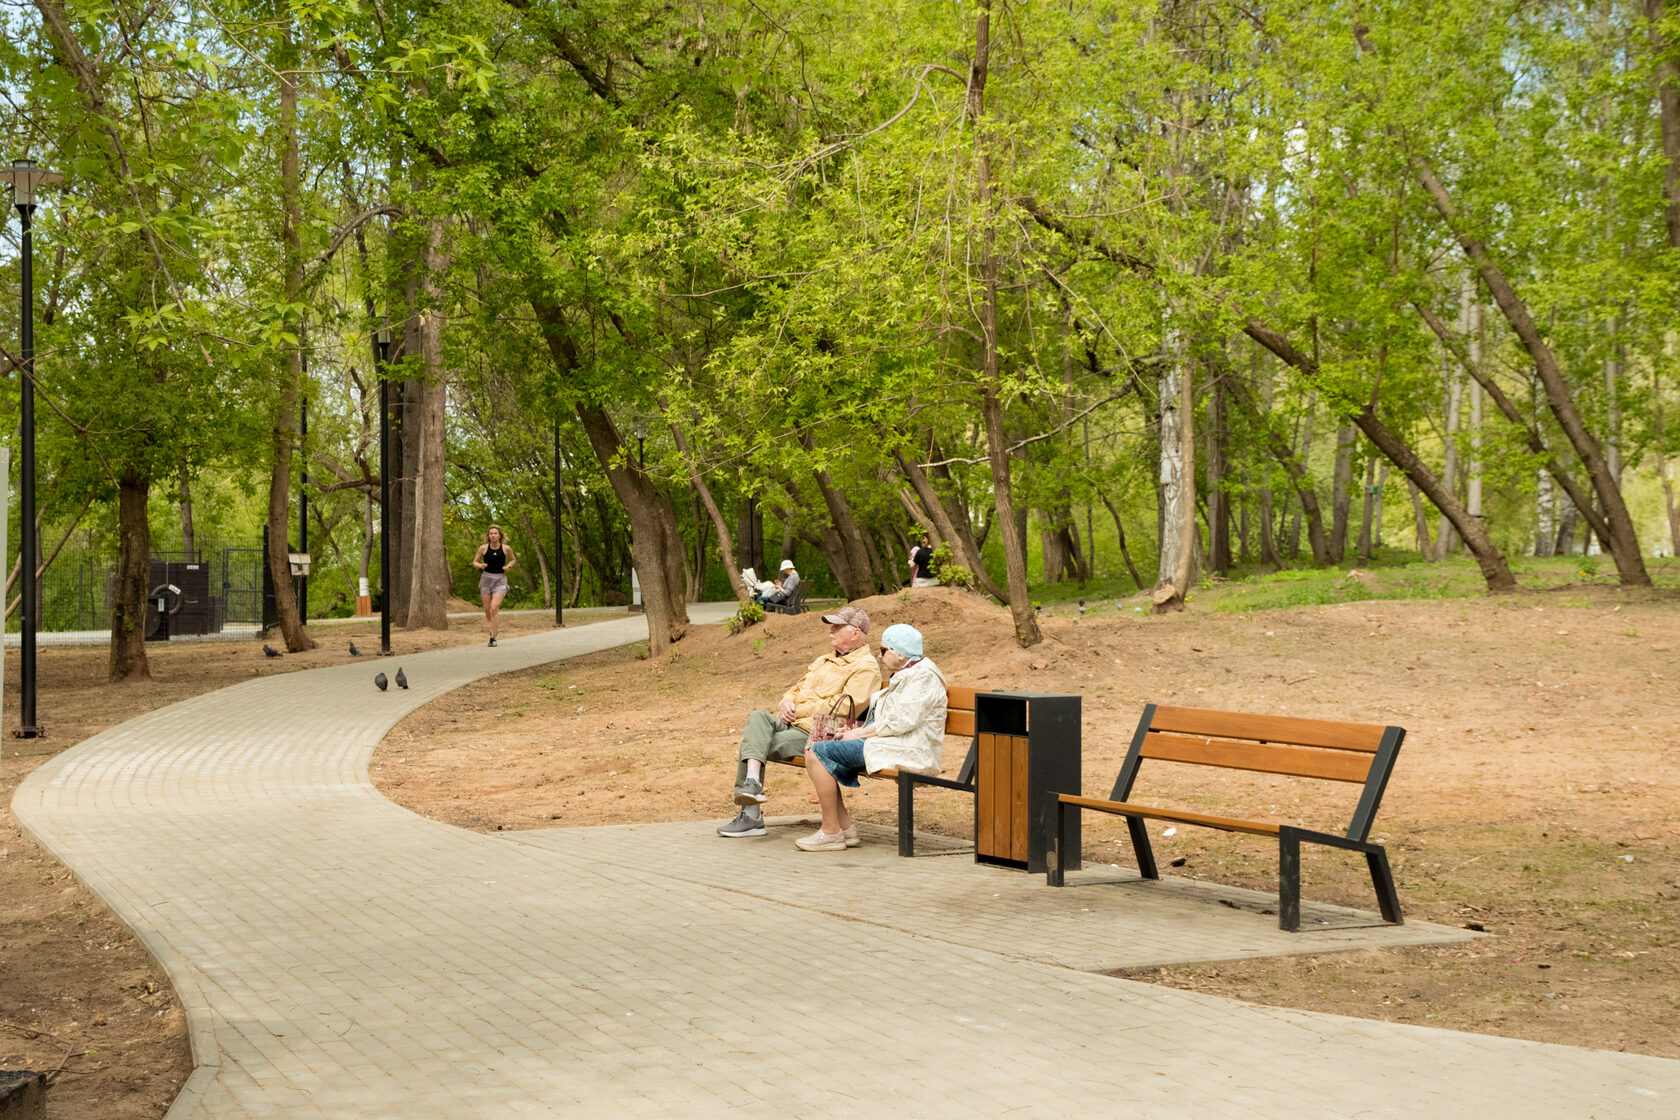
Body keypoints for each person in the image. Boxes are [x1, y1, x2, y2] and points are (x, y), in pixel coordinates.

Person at [717, 606, 880, 838]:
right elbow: (795, 689)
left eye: (837, 627)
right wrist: (786, 702)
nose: (830, 631)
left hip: (818, 731)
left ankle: (751, 814)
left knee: (753, 746)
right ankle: (752, 783)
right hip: (795, 722)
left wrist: (799, 708)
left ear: (855, 633)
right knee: (758, 718)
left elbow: (844, 707)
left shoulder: (866, 667)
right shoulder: (824, 660)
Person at [798, 624, 947, 851]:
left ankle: (831, 831)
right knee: (817, 750)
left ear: (900, 654)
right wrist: (851, 733)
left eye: (884, 650)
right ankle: (843, 828)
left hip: (911, 750)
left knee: (818, 753)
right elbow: (891, 718)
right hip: (892, 743)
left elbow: (901, 721)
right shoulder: (909, 673)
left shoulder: (923, 677)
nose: (879, 655)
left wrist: (857, 733)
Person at [472, 524, 516, 647]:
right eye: (491, 533)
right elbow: (474, 561)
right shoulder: (483, 548)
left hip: (500, 580)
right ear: (488, 536)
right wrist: (480, 565)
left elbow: (513, 560)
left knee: (494, 608)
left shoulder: (506, 548)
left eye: (495, 533)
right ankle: (494, 626)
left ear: (500, 535)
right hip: (486, 579)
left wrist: (508, 566)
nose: (493, 535)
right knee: (487, 611)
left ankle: (493, 637)